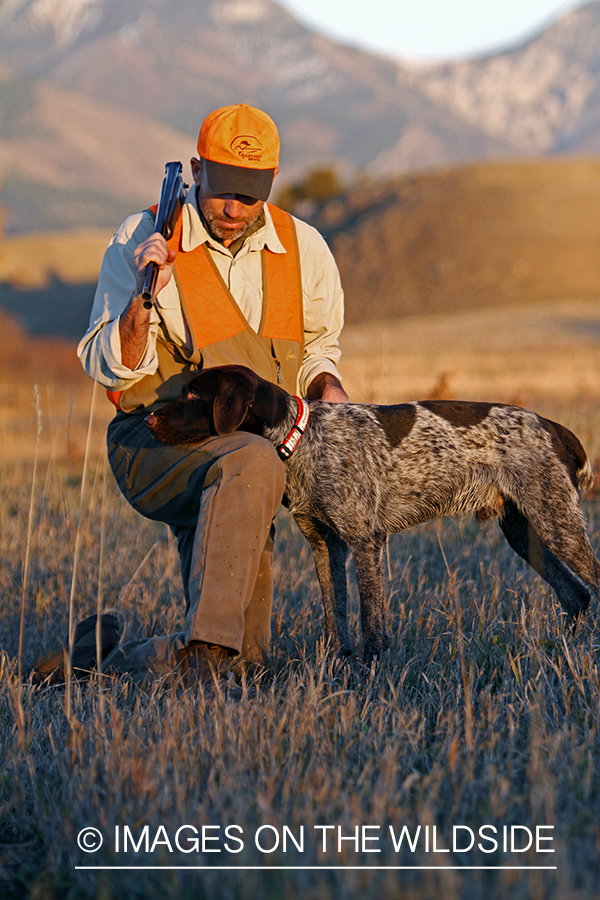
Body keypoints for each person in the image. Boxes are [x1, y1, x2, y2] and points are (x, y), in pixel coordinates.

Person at [76, 103, 348, 684]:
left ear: (271, 183)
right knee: (252, 464)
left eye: (250, 194)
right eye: (223, 188)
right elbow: (107, 370)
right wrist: (143, 301)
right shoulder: (144, 236)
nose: (233, 207)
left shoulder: (306, 250)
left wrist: (330, 389)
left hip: (250, 448)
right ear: (197, 170)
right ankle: (203, 658)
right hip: (152, 436)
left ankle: (102, 664)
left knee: (246, 663)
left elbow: (320, 350)